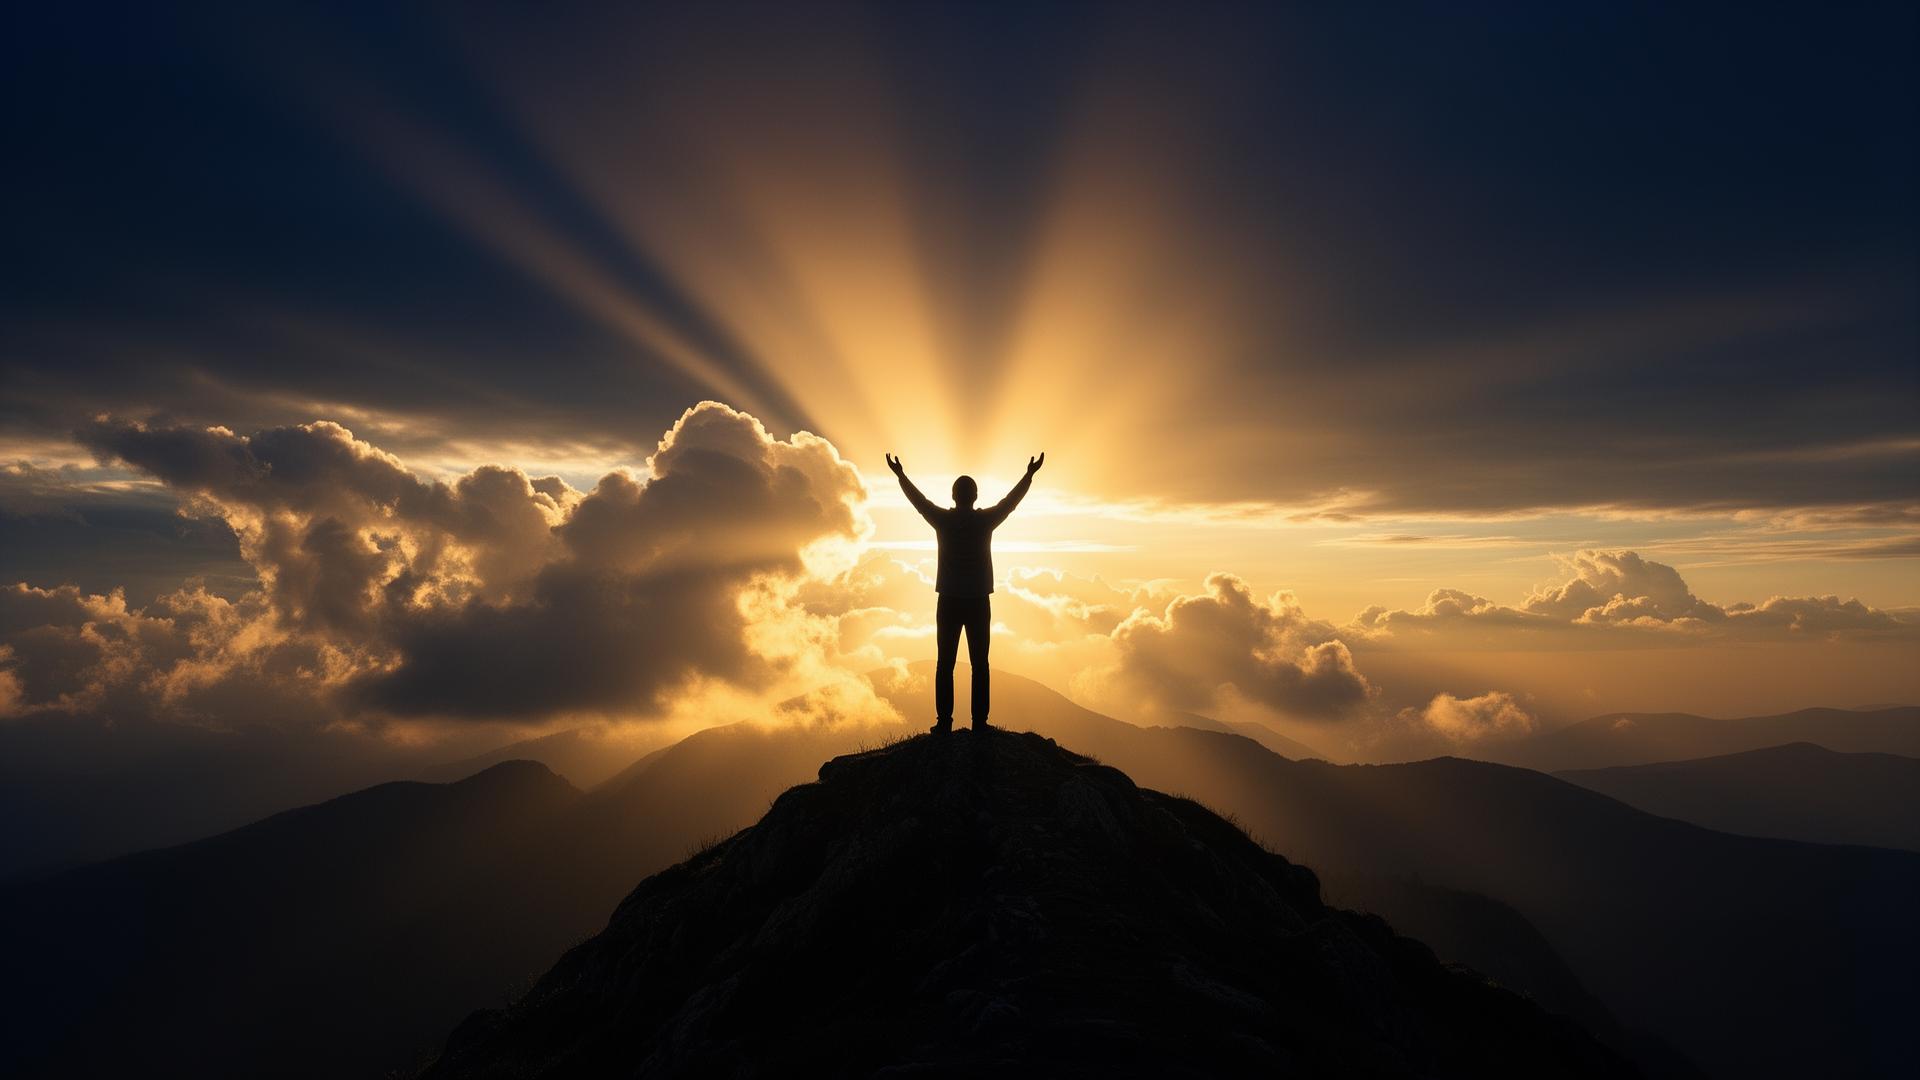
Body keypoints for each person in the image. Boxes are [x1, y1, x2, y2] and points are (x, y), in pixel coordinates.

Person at [886, 451, 1044, 733]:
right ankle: (979, 723)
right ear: (975, 496)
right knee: (980, 664)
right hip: (978, 600)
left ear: (953, 496)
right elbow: (1010, 503)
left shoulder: (943, 520)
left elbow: (919, 502)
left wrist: (901, 476)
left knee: (945, 663)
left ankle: (944, 723)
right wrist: (1029, 475)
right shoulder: (985, 521)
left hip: (948, 599)